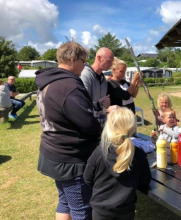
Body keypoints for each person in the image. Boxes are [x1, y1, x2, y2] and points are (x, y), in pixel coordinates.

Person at [35, 41, 102, 220]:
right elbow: (90, 124)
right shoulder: (69, 85)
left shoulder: (48, 82)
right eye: (84, 61)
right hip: (70, 159)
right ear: (73, 59)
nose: (85, 65)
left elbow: (64, 112)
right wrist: (102, 121)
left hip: (53, 152)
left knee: (65, 201)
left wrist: (93, 107)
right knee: (82, 209)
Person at [83, 107, 151, 220]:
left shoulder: (100, 152)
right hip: (126, 210)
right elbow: (145, 182)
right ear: (133, 127)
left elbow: (87, 178)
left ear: (109, 128)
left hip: (101, 211)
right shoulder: (139, 155)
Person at [80, 47, 114, 125]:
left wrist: (106, 106)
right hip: (87, 124)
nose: (111, 65)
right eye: (109, 61)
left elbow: (101, 107)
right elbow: (82, 105)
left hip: (98, 124)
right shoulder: (85, 75)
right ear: (99, 58)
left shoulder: (103, 79)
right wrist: (101, 106)